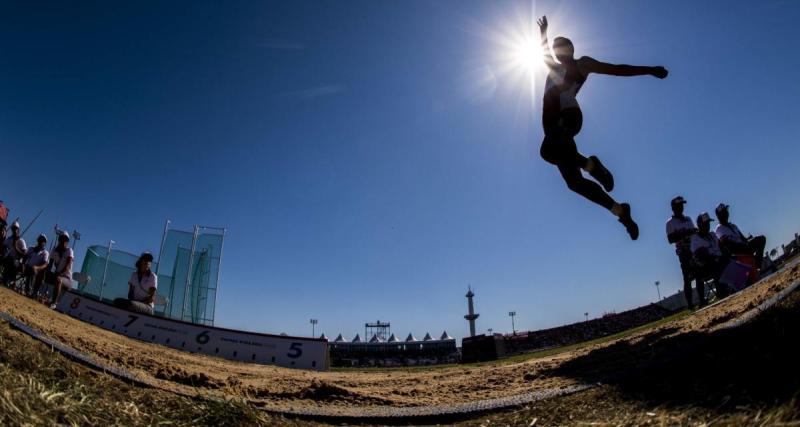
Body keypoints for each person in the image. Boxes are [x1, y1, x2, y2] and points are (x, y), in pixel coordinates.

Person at [536, 16, 668, 240]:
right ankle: (621, 212)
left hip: (568, 117)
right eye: (556, 48)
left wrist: (649, 69)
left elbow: (616, 69)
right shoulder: (553, 66)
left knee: (552, 147)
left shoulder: (581, 64)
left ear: (570, 48)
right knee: (572, 181)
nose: (557, 51)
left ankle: (592, 165)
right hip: (552, 127)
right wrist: (543, 33)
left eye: (562, 45)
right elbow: (544, 51)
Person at [665, 196, 703, 309]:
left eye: (682, 205)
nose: (681, 207)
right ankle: (690, 305)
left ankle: (702, 300)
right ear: (673, 208)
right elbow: (670, 239)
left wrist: (694, 232)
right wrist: (685, 233)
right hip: (684, 252)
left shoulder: (688, 219)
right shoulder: (670, 222)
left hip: (694, 249)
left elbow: (694, 232)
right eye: (678, 205)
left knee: (699, 275)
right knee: (687, 278)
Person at [691, 212, 731, 299]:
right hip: (706, 265)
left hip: (720, 259)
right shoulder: (695, 239)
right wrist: (716, 257)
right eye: (705, 224)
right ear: (699, 225)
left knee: (730, 256)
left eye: (708, 223)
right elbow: (700, 256)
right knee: (716, 262)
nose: (707, 226)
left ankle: (739, 283)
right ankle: (722, 292)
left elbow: (721, 246)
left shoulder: (712, 234)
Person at [714, 203, 767, 269]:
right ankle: (757, 265)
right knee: (760, 239)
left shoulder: (733, 226)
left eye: (726, 211)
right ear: (718, 216)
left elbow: (743, 238)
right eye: (723, 212)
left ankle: (757, 264)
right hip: (736, 250)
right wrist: (743, 244)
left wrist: (749, 239)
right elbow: (726, 244)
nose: (726, 214)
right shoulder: (719, 229)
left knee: (761, 239)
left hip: (743, 246)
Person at [46, 231, 74, 308]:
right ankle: (34, 293)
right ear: (59, 239)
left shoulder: (69, 251)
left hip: (67, 278)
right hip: (57, 274)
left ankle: (53, 303)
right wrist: (47, 272)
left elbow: (68, 265)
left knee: (58, 279)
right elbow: (50, 264)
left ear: (67, 241)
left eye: (66, 239)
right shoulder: (55, 250)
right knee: (42, 273)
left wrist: (60, 273)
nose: (63, 241)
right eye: (62, 239)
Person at [2, 221, 27, 287]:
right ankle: (5, 278)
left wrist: (16, 247)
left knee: (12, 262)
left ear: (18, 230)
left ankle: (11, 281)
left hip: (17, 261)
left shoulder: (21, 240)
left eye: (16, 228)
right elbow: (3, 247)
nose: (14, 230)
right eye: (13, 228)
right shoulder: (9, 239)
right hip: (8, 258)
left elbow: (24, 254)